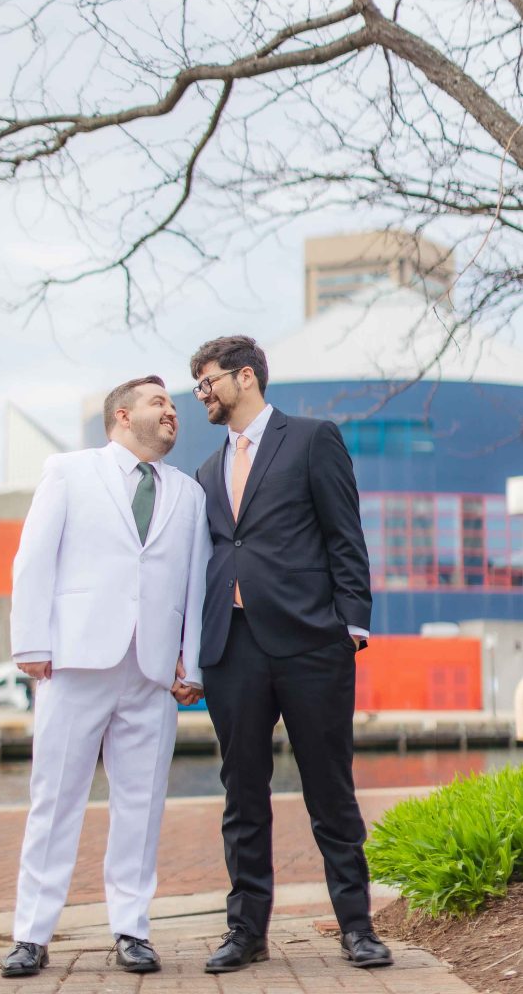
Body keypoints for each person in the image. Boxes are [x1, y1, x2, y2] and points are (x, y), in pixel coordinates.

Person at [190, 336, 393, 972]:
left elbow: (344, 534)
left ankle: (357, 926)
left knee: (330, 788)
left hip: (311, 643)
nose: (202, 395)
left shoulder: (311, 438)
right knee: (241, 792)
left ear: (244, 377)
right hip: (233, 646)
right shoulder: (203, 472)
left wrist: (351, 624)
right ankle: (245, 931)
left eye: (208, 382)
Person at [1, 376, 211, 979]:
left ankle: (131, 929)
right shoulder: (69, 470)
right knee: (55, 799)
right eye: (159, 402)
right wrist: (31, 643)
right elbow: (33, 557)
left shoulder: (188, 494)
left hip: (151, 672)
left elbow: (195, 582)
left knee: (141, 806)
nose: (173, 411)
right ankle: (31, 934)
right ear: (122, 415)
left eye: (173, 404)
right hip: (75, 662)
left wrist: (190, 663)